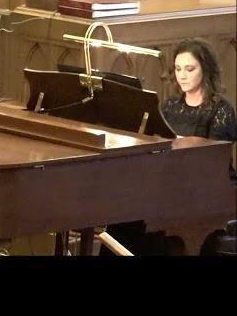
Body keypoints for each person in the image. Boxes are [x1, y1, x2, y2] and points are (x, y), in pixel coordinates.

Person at [101, 38, 236, 255]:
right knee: (126, 212)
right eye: (178, 69)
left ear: (205, 70)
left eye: (190, 69)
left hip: (208, 185)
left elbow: (214, 160)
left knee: (153, 213)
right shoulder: (169, 106)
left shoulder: (221, 110)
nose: (182, 75)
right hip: (170, 180)